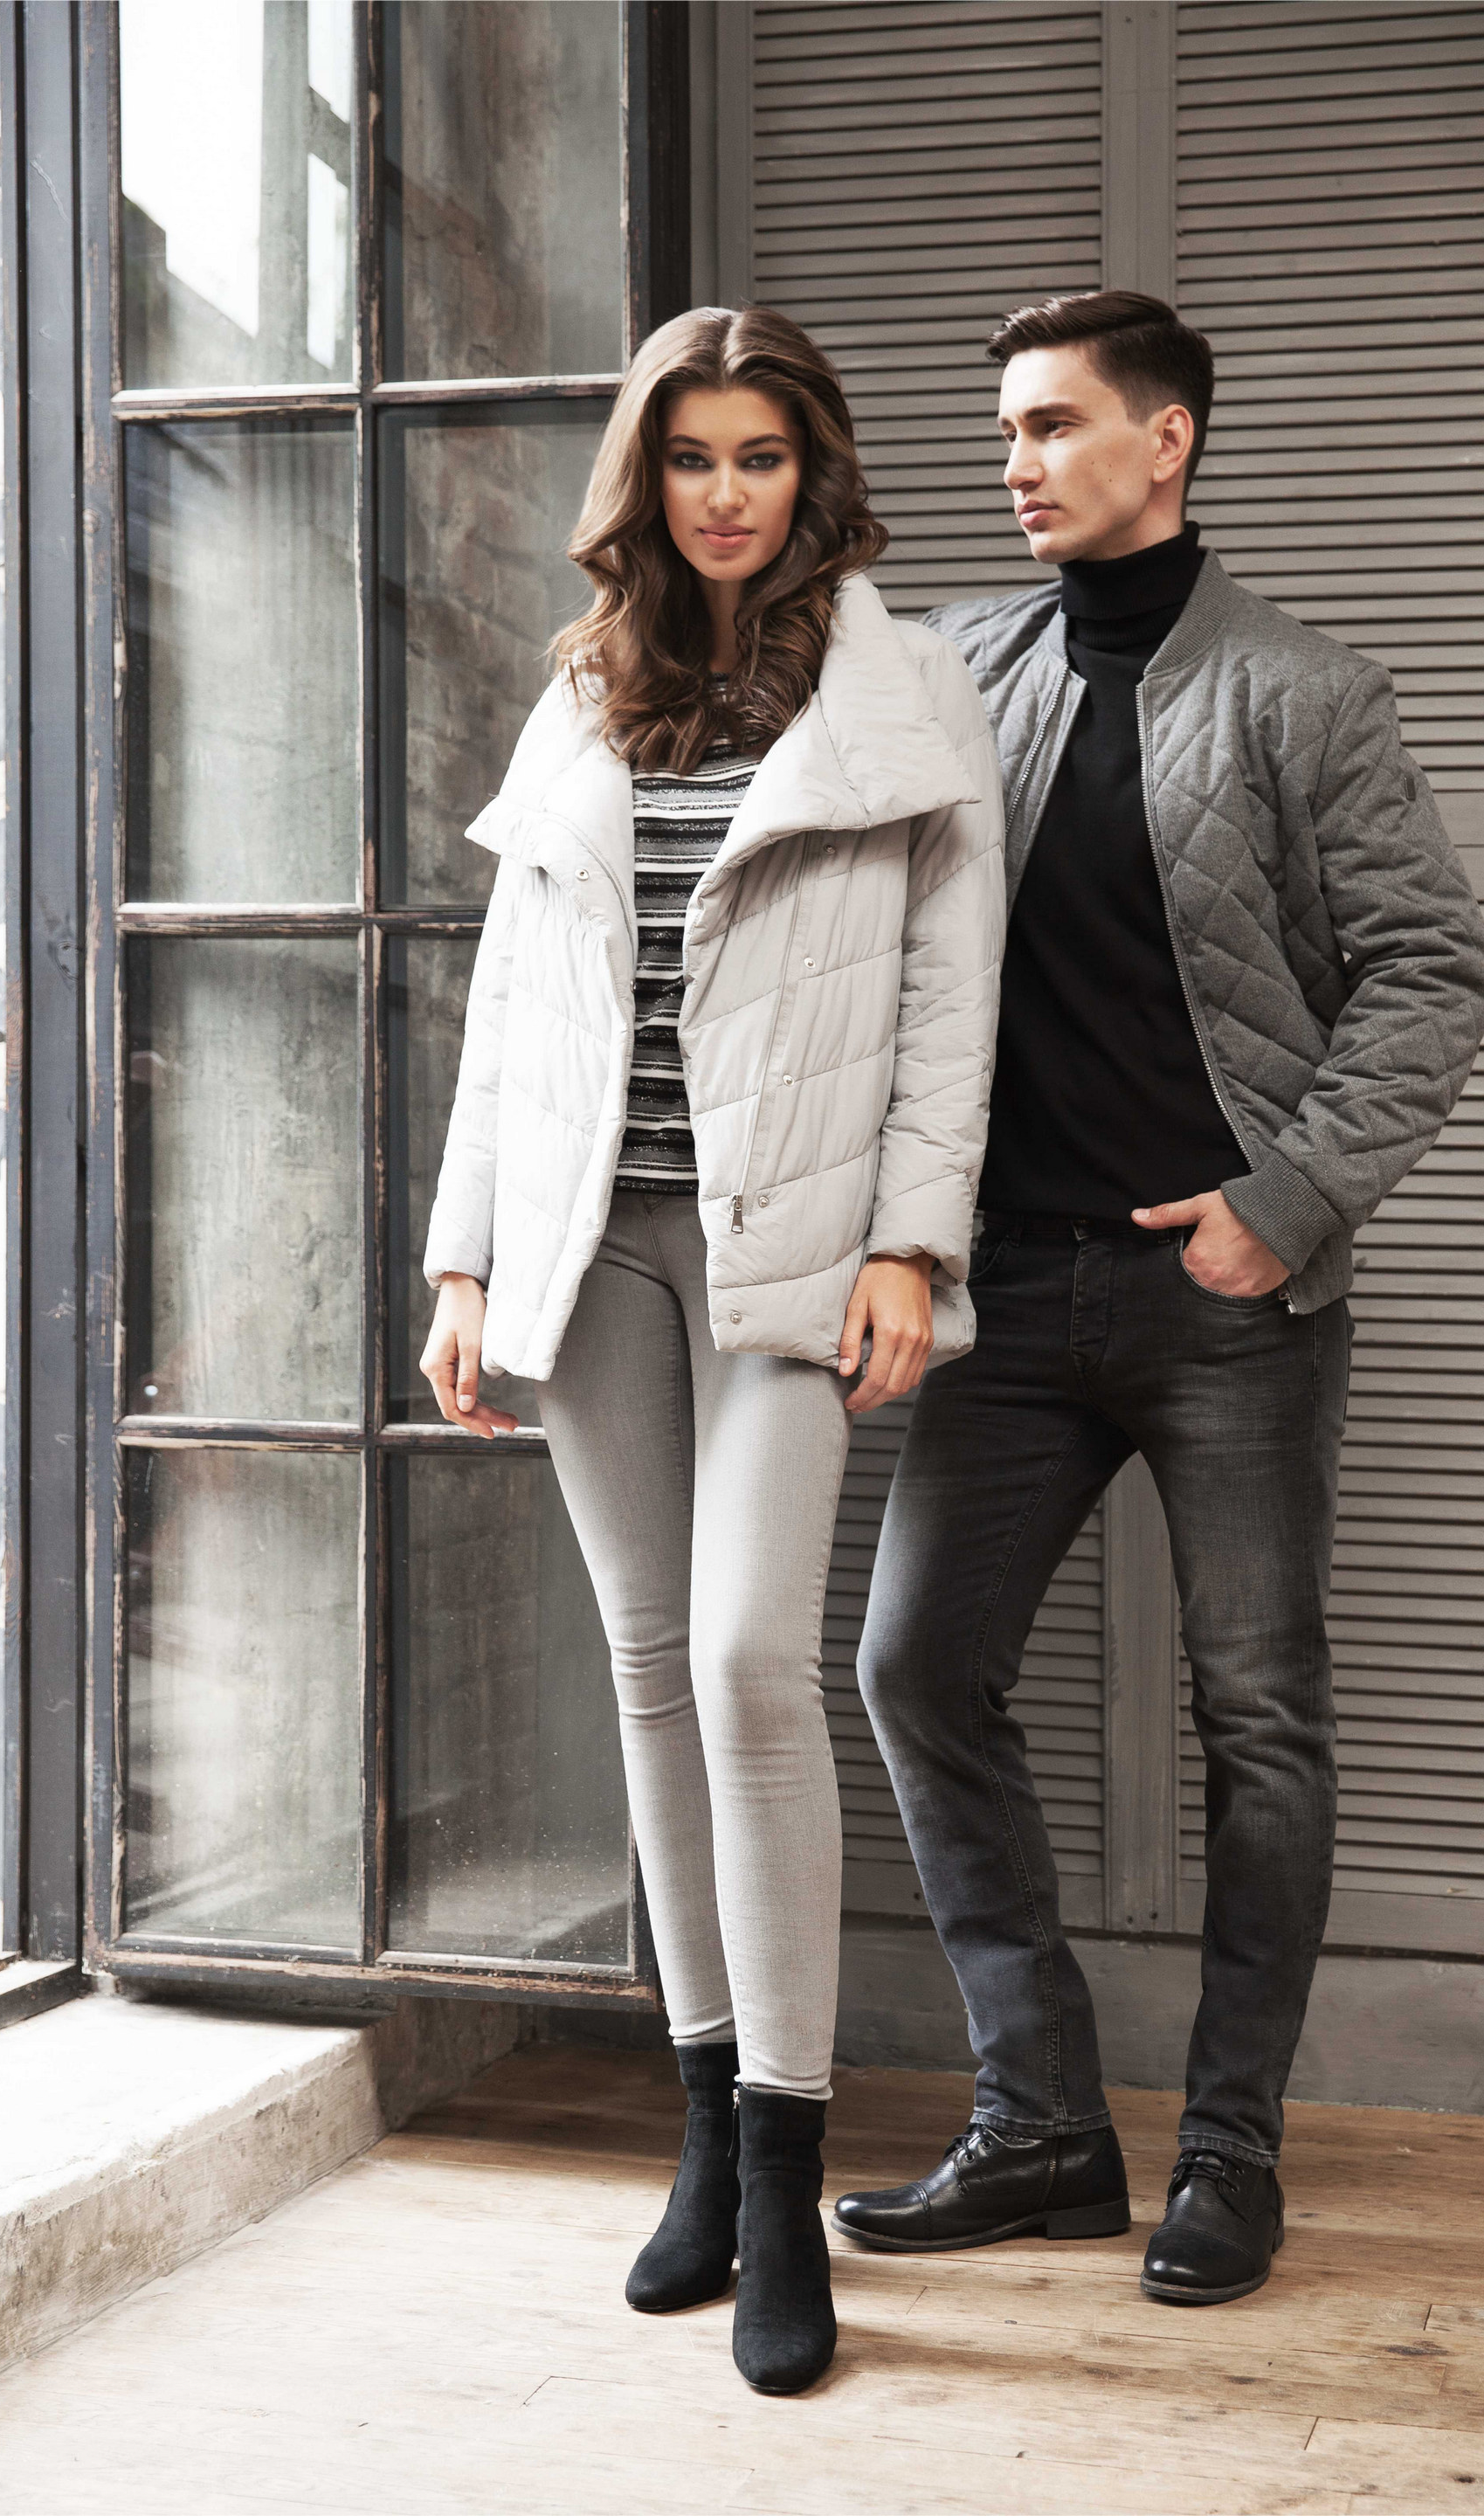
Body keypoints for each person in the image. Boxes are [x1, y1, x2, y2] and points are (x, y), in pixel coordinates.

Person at [832, 290, 1484, 2305]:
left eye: (1052, 425)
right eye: (1005, 433)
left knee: (1260, 1717)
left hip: (1225, 1302)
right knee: (915, 1668)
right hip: (1005, 1297)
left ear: (1167, 437)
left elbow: (1433, 970)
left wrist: (1285, 1202)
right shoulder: (954, 663)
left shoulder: (1305, 690)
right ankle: (1041, 2120)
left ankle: (1231, 2149)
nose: (1016, 463)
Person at [418, 306, 1004, 2392]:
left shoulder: (906, 688)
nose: (728, 493)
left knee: (756, 1664)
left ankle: (785, 2171)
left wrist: (914, 1242)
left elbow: (951, 996)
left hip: (794, 1248)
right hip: (592, 1250)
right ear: (645, 479)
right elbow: (517, 1002)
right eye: (692, 457)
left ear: (812, 470)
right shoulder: (585, 688)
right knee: (652, 1670)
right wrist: (466, 1261)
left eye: (762, 455)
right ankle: (701, 2129)